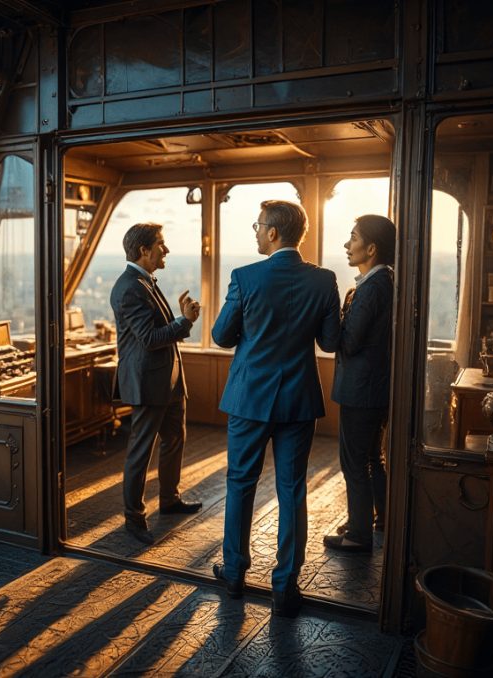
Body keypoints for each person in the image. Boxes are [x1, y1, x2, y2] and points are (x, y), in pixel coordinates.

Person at [210, 200, 340, 617]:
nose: (254, 231)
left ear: (272, 232)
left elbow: (220, 337)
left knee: (240, 484)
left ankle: (234, 574)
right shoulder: (324, 280)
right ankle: (285, 585)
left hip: (249, 398)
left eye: (257, 225)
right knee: (292, 490)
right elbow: (331, 343)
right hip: (298, 398)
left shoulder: (245, 277)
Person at [109, 222, 203, 545]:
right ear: (143, 251)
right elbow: (149, 338)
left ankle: (169, 499)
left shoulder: (144, 281)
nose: (166, 250)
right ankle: (134, 519)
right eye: (161, 244)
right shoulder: (129, 288)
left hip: (169, 382)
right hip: (148, 383)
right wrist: (185, 321)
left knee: (175, 438)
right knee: (140, 451)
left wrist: (179, 317)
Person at [323, 214, 396, 553]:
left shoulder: (370, 288)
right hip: (376, 388)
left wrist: (332, 315)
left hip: (361, 390)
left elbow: (349, 343)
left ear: (371, 248)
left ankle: (358, 534)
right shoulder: (385, 283)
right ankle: (378, 519)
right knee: (371, 458)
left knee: (354, 462)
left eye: (352, 238)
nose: (346, 245)